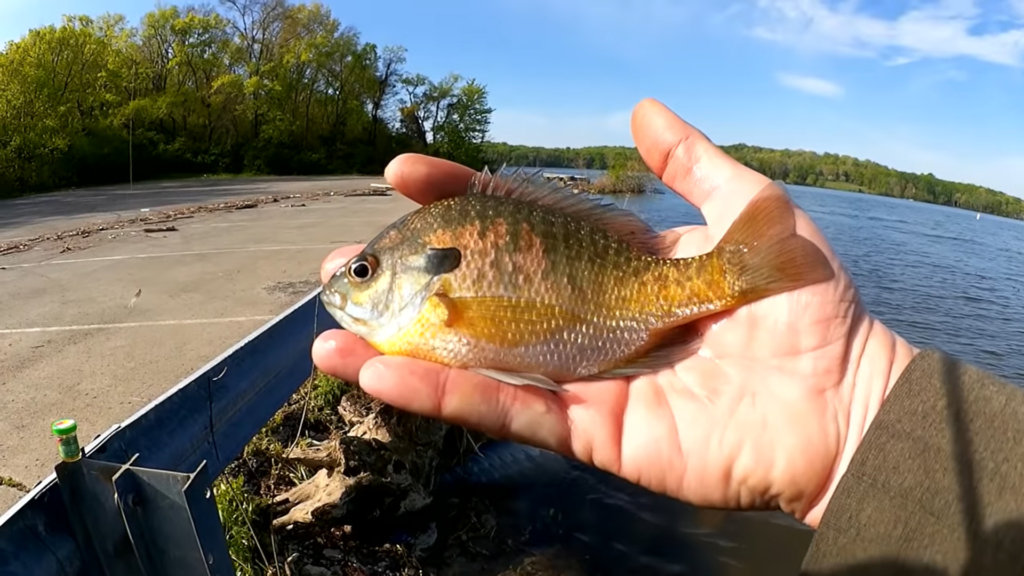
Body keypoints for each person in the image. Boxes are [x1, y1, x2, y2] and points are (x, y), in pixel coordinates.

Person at [311, 98, 1024, 575]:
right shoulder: (435, 294)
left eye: (366, 272)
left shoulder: (443, 303)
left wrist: (856, 406)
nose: (350, 286)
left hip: (635, 316)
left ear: (417, 272)